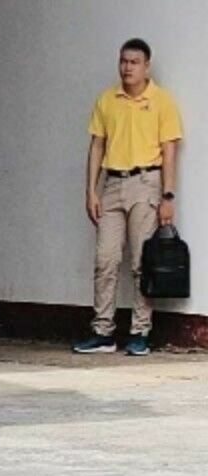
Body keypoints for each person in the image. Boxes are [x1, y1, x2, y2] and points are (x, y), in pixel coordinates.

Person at [74, 38, 182, 357]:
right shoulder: (107, 100)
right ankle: (103, 330)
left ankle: (140, 330)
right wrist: (91, 190)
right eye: (123, 61)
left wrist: (168, 195)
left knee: (140, 261)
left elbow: (170, 150)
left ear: (146, 66)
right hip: (112, 183)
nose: (127, 67)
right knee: (106, 259)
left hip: (146, 182)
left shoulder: (161, 101)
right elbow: (96, 145)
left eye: (134, 62)